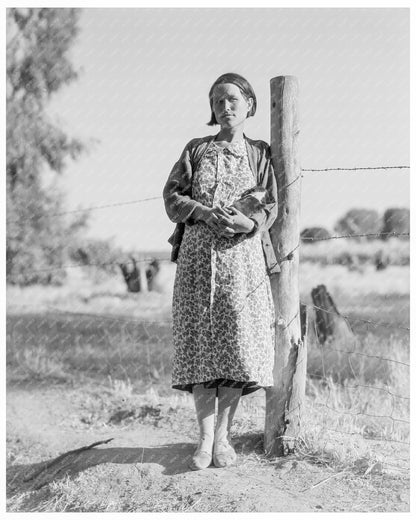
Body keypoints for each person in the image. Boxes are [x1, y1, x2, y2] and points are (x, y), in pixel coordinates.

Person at [163, 73, 279, 470]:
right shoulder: (196, 149)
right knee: (200, 346)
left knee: (235, 347)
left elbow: (271, 201)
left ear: (249, 103)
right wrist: (201, 212)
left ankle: (224, 440)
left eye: (232, 99)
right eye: (217, 102)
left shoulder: (261, 152)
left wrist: (250, 223)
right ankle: (204, 440)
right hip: (197, 260)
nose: (224, 107)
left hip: (242, 263)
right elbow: (172, 196)